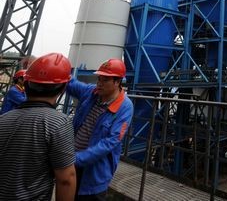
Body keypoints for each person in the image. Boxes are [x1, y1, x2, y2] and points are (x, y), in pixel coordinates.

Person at [0, 53, 76, 201]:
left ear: (26, 83)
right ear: (63, 88)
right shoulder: (59, 123)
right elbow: (66, 179)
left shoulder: (3, 119)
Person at [66, 58, 133, 200]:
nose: (99, 83)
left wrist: (77, 159)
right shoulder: (92, 92)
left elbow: (111, 142)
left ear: (117, 82)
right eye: (99, 78)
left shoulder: (125, 107)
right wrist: (60, 68)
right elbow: (71, 84)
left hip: (94, 173)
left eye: (105, 80)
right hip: (72, 164)